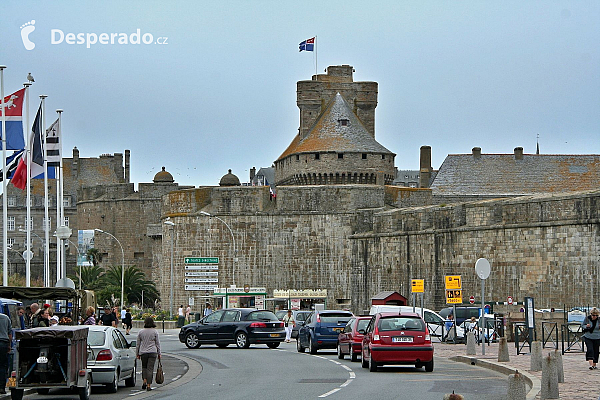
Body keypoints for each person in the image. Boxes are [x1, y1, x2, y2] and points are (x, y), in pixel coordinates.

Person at [136, 317, 161, 392]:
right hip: (153, 352)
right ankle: (149, 385)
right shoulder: (155, 332)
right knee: (150, 368)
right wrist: (159, 353)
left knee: (144, 367)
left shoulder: (141, 332)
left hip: (143, 352)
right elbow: (157, 343)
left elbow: (138, 344)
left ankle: (144, 380)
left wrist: (137, 353)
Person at [0, 312, 12, 394]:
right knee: (2, 366)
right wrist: (9, 345)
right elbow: (9, 334)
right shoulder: (5, 318)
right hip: (3, 343)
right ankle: (1, 388)